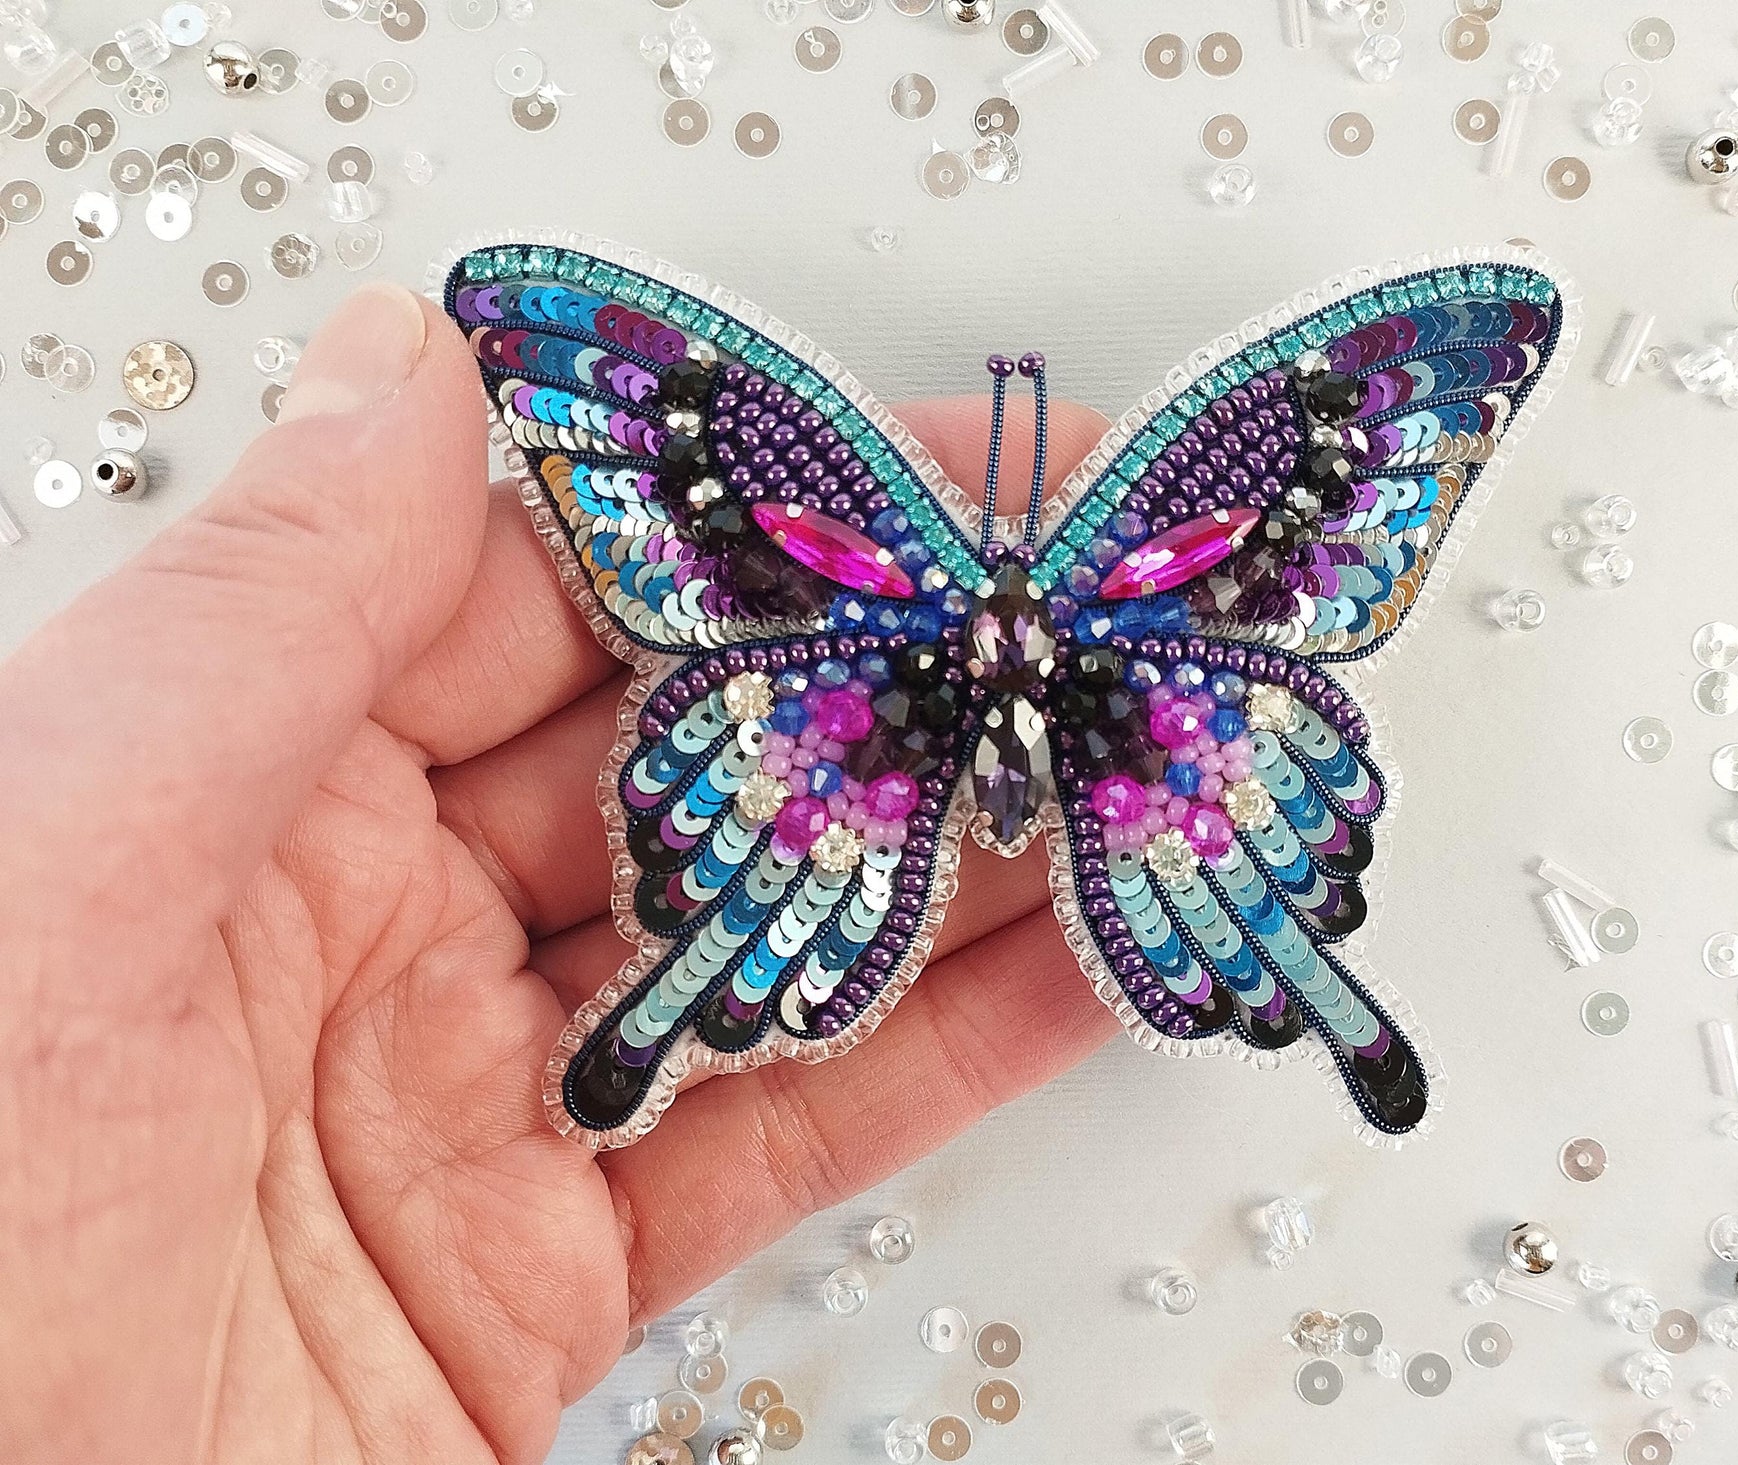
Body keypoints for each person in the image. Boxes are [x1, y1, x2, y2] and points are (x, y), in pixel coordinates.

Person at [0, 284, 1116, 1464]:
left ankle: (660, 1019)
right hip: (943, 728)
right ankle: (658, 1020)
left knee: (744, 927)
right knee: (731, 941)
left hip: (874, 734)